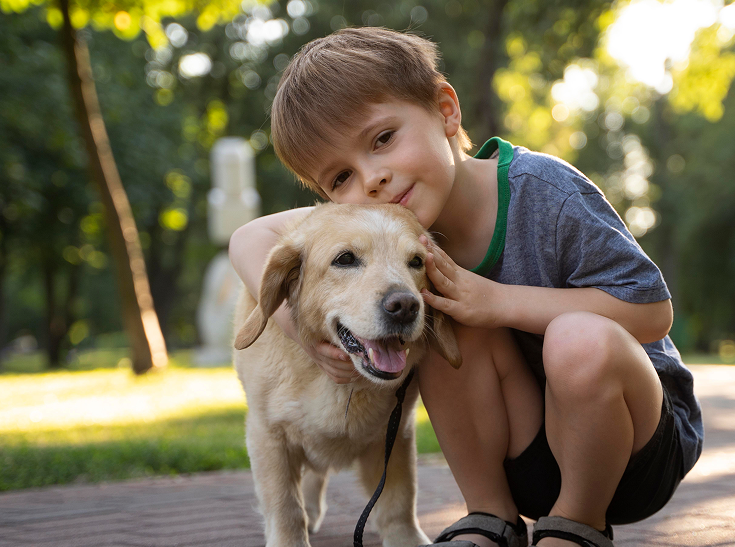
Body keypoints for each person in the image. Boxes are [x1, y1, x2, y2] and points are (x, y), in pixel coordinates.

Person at [228, 27, 702, 547]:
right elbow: (251, 237)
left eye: (383, 139)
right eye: (341, 178)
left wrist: (498, 302)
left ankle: (578, 525)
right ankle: (490, 517)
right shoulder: (382, 222)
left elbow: (652, 309)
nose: (372, 180)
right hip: (526, 456)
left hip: (636, 447)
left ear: (446, 110)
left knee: (575, 340)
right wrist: (302, 334)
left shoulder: (545, 192)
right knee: (437, 318)